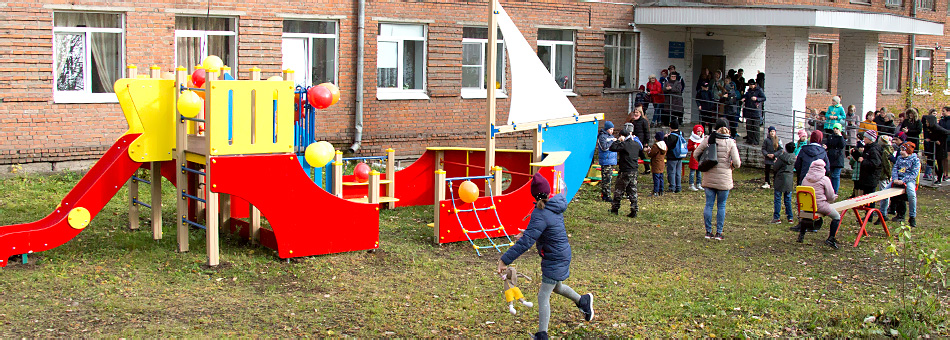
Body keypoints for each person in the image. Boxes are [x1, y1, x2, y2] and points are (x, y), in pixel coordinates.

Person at [498, 173, 594, 340]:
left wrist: (504, 260)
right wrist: (527, 234)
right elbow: (545, 230)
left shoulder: (540, 212)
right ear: (548, 192)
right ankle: (583, 301)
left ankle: (542, 335)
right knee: (556, 287)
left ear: (533, 195)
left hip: (555, 256)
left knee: (543, 295)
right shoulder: (552, 206)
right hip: (559, 253)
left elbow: (528, 241)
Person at [694, 119, 741, 240]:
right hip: (724, 179)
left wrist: (704, 162)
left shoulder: (709, 140)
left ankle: (708, 232)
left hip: (709, 177)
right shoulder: (730, 142)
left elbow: (695, 154)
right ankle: (719, 233)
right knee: (721, 206)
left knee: (709, 205)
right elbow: (737, 162)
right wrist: (731, 165)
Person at [798, 159, 842, 249]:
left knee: (806, 215)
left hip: (807, 206)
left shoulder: (805, 178)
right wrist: (833, 197)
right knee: (837, 217)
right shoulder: (824, 179)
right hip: (820, 206)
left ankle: (801, 235)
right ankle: (831, 238)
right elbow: (830, 196)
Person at [608, 126, 647, 218]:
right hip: (634, 170)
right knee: (632, 190)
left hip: (625, 170)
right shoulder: (636, 144)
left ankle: (615, 208)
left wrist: (618, 140)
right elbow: (641, 149)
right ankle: (634, 209)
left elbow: (612, 148)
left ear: (622, 136)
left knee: (619, 190)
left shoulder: (624, 144)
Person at [881, 142, 920, 227]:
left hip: (908, 180)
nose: (901, 152)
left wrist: (903, 180)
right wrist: (895, 178)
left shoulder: (915, 160)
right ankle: (882, 214)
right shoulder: (899, 158)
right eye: (901, 150)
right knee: (884, 192)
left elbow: (914, 173)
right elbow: (895, 168)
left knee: (912, 194)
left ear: (908, 151)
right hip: (897, 179)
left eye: (903, 150)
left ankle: (912, 217)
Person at [771, 142, 796, 224]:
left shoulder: (781, 157)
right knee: (788, 199)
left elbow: (775, 167)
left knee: (778, 198)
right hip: (789, 179)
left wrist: (775, 162)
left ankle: (777, 217)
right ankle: (790, 217)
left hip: (780, 179)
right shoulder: (793, 158)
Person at [854, 130, 882, 198]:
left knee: (870, 198)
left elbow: (875, 163)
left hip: (871, 177)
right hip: (865, 177)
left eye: (865, 137)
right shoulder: (867, 147)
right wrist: (855, 153)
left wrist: (863, 161)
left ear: (870, 139)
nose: (864, 139)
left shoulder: (874, 149)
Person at [922, 111, 948, 184]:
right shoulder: (930, 128)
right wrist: (931, 139)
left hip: (940, 148)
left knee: (940, 163)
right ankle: (937, 173)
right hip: (933, 147)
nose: (926, 123)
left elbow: (945, 133)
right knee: (930, 160)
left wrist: (939, 141)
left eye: (927, 122)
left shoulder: (937, 128)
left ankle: (939, 178)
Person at [596, 121, 617, 202]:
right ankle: (606, 195)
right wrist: (612, 141)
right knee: (606, 179)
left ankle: (606, 194)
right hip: (606, 160)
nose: (612, 131)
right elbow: (604, 147)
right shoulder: (602, 137)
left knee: (609, 179)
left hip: (611, 160)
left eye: (613, 129)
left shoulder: (611, 136)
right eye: (610, 129)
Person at [740, 79, 766, 145]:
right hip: (749, 110)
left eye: (751, 85)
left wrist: (757, 99)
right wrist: (744, 98)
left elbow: (764, 98)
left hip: (756, 111)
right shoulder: (749, 91)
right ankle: (750, 139)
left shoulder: (759, 90)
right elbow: (747, 96)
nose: (750, 86)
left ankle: (756, 141)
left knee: (756, 127)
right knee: (749, 126)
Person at [824, 123, 846, 194]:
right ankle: (831, 190)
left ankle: (835, 191)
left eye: (837, 128)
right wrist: (825, 146)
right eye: (834, 128)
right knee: (831, 175)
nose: (835, 130)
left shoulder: (841, 137)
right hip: (831, 157)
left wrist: (840, 136)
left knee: (836, 175)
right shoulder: (830, 137)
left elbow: (842, 145)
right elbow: (828, 144)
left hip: (838, 159)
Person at [664, 121, 686, 193]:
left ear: (670, 127)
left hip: (672, 156)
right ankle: (678, 187)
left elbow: (668, 145)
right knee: (678, 172)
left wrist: (665, 138)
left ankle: (672, 187)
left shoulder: (671, 137)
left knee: (671, 172)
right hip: (680, 155)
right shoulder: (681, 134)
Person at [648, 131, 668, 196]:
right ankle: (661, 190)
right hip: (661, 163)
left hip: (656, 163)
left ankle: (655, 191)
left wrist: (648, 151)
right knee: (661, 177)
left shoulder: (656, 146)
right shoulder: (665, 146)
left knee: (656, 178)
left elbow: (651, 154)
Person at [688, 125, 705, 191]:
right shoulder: (692, 139)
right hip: (693, 158)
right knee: (692, 172)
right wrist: (693, 147)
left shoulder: (703, 139)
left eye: (701, 131)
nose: (700, 133)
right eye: (698, 131)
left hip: (700, 157)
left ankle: (699, 184)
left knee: (699, 172)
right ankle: (691, 184)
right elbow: (688, 148)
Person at [849, 132, 866, 198]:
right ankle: (855, 196)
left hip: (861, 172)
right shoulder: (855, 151)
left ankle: (860, 198)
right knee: (856, 186)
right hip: (856, 171)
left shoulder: (864, 153)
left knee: (860, 186)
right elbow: (852, 161)